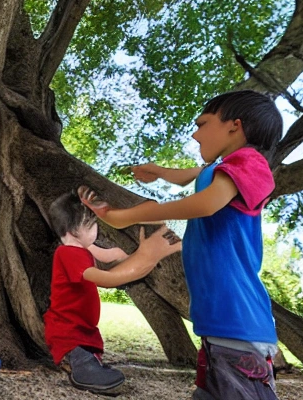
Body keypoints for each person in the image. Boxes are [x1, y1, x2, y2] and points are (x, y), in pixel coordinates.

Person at [79, 90, 283, 400]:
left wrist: (135, 215)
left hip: (238, 322)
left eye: (203, 124)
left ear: (234, 126)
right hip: (220, 325)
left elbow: (207, 203)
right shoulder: (222, 170)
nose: (195, 133)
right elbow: (194, 176)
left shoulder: (250, 163)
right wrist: (157, 171)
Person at [44, 191, 181, 394]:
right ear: (73, 232)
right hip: (68, 329)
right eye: (91, 225)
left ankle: (86, 364)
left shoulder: (83, 249)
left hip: (82, 326)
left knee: (88, 351)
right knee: (80, 355)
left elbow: (113, 256)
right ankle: (81, 369)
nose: (97, 228)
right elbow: (106, 279)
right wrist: (145, 258)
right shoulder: (67, 253)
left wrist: (138, 254)